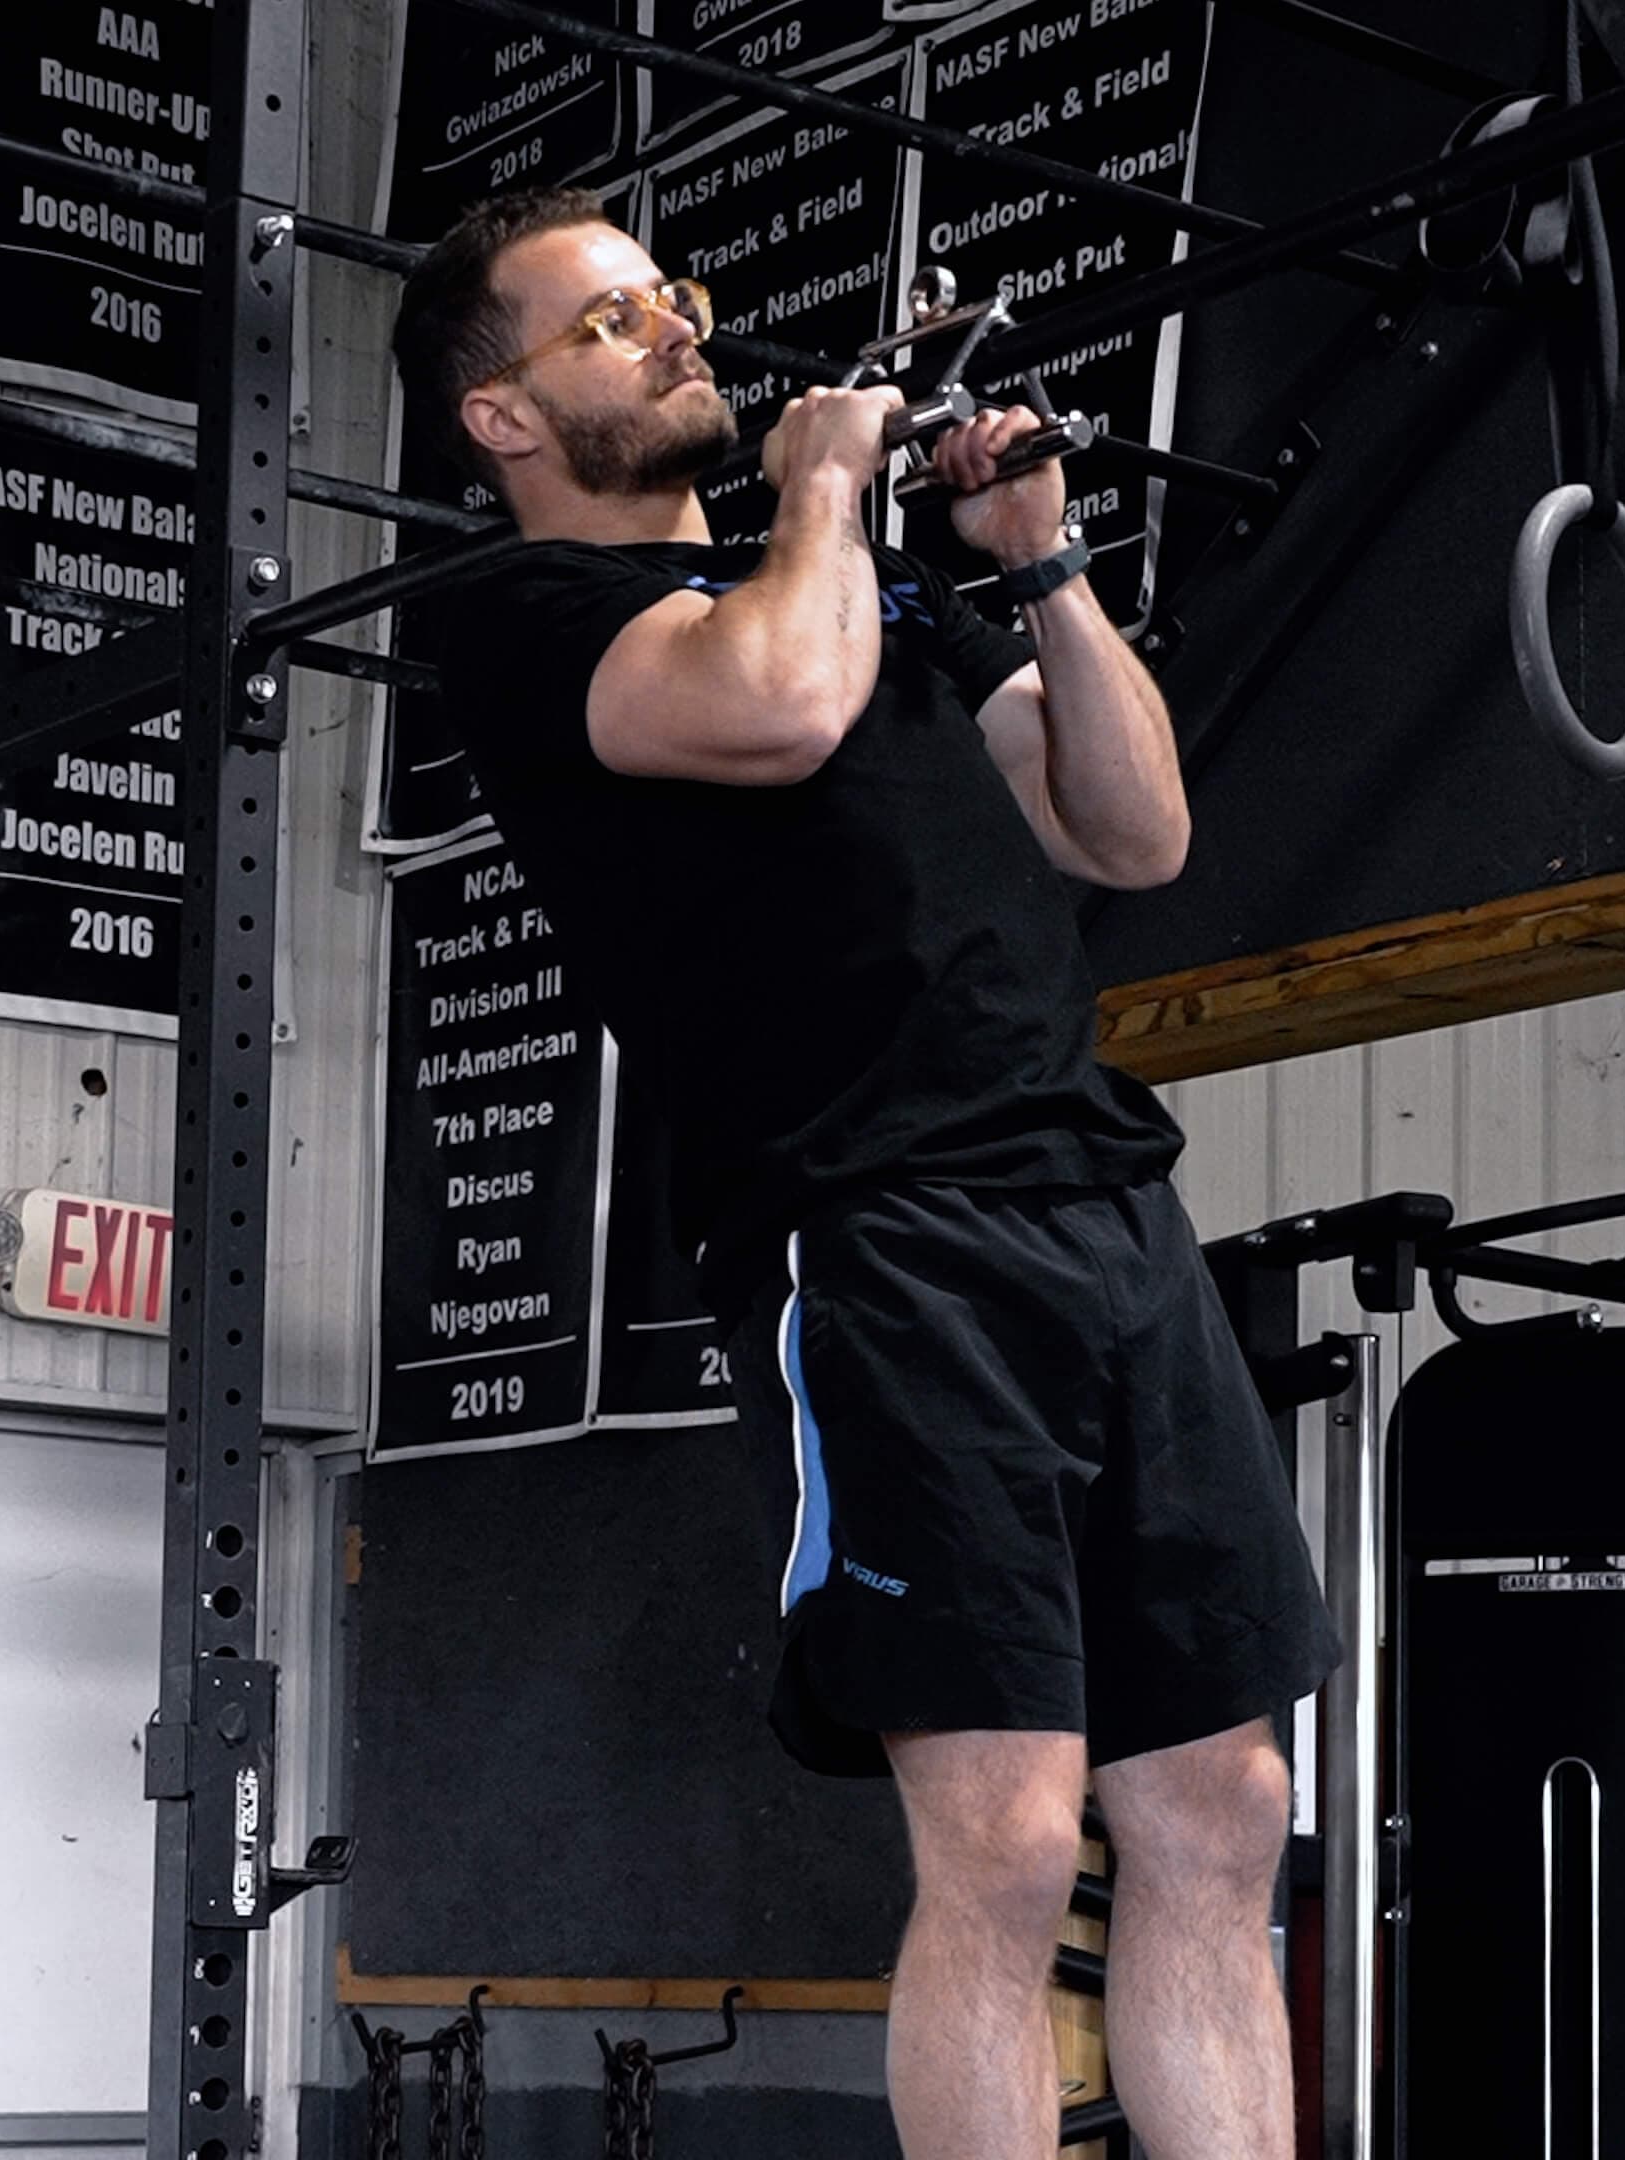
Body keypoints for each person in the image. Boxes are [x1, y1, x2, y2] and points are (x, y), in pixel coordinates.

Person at [390, 187, 1334, 2160]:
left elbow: (1136, 831)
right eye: (610, 323)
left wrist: (1045, 566)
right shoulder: (526, 623)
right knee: (1000, 1832)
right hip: (875, 1240)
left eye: (677, 302)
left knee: (1219, 1807)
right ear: (499, 419)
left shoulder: (872, 604)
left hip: (1102, 1211)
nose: (674, 335)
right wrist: (827, 484)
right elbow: (770, 699)